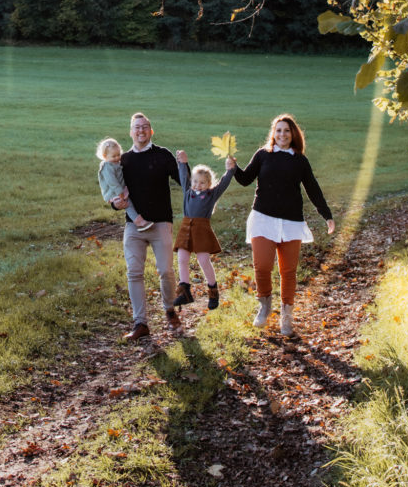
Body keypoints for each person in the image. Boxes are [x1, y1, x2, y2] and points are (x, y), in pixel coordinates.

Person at [228, 114, 335, 336]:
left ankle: (286, 315)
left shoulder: (299, 160)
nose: (282, 135)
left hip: (291, 222)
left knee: (288, 271)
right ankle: (265, 306)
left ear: (293, 134)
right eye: (278, 130)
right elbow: (246, 179)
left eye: (286, 131)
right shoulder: (263, 155)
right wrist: (234, 168)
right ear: (273, 133)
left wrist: (327, 215)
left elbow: (313, 189)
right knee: (263, 266)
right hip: (262, 219)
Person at [113, 112, 189, 341]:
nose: (141, 131)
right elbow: (114, 190)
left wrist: (185, 164)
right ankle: (140, 323)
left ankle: (169, 309)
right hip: (134, 226)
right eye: (137, 127)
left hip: (160, 224)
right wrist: (115, 204)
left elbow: (185, 183)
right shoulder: (123, 160)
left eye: (145, 127)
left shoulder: (163, 155)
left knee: (165, 270)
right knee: (134, 272)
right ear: (130, 132)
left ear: (151, 131)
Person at [172, 151, 233, 310]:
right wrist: (182, 162)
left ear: (208, 184)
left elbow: (224, 183)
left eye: (202, 183)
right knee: (182, 258)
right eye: (195, 182)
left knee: (203, 260)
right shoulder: (188, 191)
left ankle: (213, 290)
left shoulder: (211, 195)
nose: (197, 185)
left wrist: (230, 170)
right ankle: (184, 291)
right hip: (186, 228)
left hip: (201, 229)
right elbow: (183, 176)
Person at [96, 137, 153, 230]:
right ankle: (139, 222)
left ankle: (142, 218)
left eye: (118, 154)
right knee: (127, 204)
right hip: (114, 191)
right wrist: (120, 193)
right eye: (113, 156)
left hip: (120, 188)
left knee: (130, 200)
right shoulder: (107, 166)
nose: (117, 158)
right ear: (105, 156)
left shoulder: (115, 163)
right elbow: (112, 182)